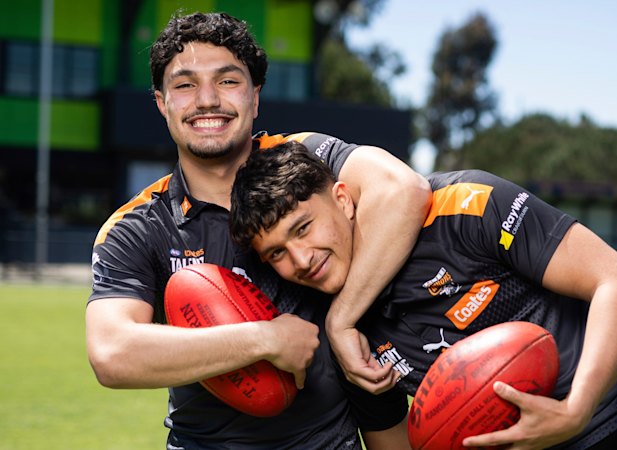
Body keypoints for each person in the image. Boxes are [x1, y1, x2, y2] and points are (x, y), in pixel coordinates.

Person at [229, 141, 617, 450]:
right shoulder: (342, 335)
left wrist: (575, 410)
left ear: (342, 198)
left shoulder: (466, 203)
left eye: (303, 229)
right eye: (276, 253)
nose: (300, 259)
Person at [85, 11, 431, 449]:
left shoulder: (307, 159)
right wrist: (263, 340)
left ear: (255, 97)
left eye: (228, 81)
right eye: (185, 84)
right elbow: (112, 354)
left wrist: (341, 322)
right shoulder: (136, 227)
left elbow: (404, 190)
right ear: (162, 102)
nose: (207, 99)